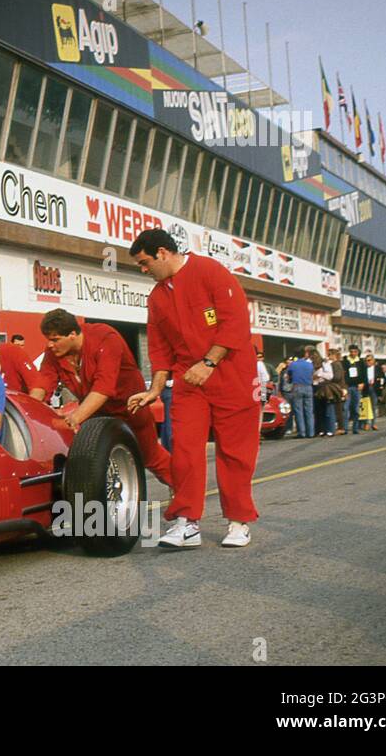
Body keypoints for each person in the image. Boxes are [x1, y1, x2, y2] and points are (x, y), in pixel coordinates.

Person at [126, 229, 259, 549]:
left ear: (162, 252)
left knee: (234, 451)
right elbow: (159, 350)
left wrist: (209, 363)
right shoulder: (157, 297)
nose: (143, 270)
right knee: (184, 448)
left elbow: (235, 322)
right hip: (189, 382)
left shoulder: (210, 271)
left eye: (144, 263)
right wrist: (155, 390)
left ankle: (239, 522)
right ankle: (187, 523)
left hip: (232, 376)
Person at [28, 309, 172, 487]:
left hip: (130, 408)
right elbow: (43, 382)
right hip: (96, 411)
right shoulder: (55, 352)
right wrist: (29, 413)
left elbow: (103, 387)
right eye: (48, 339)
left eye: (55, 339)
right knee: (91, 462)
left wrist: (75, 418)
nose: (50, 345)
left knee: (151, 458)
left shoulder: (106, 338)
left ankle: (183, 491)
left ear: (72, 334)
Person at [288, 349, 315, 437]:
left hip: (297, 386)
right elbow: (312, 375)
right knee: (309, 410)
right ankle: (310, 432)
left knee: (298, 410)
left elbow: (289, 376)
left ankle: (302, 432)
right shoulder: (309, 364)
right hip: (308, 386)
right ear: (304, 355)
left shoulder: (293, 364)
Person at [342, 345, 363, 434]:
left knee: (355, 408)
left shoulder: (361, 362)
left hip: (356, 387)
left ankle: (355, 428)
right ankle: (345, 428)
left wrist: (362, 383)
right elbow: (343, 374)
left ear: (357, 352)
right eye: (351, 352)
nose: (353, 353)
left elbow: (364, 374)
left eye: (355, 352)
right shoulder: (345, 361)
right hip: (347, 387)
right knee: (346, 408)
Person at [361, 352, 382, 431]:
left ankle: (374, 423)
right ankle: (366, 423)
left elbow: (383, 378)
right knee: (366, 406)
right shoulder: (364, 369)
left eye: (369, 360)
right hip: (366, 388)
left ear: (373, 360)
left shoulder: (378, 368)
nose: (368, 362)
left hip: (374, 388)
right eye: (366, 360)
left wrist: (380, 385)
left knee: (373, 406)